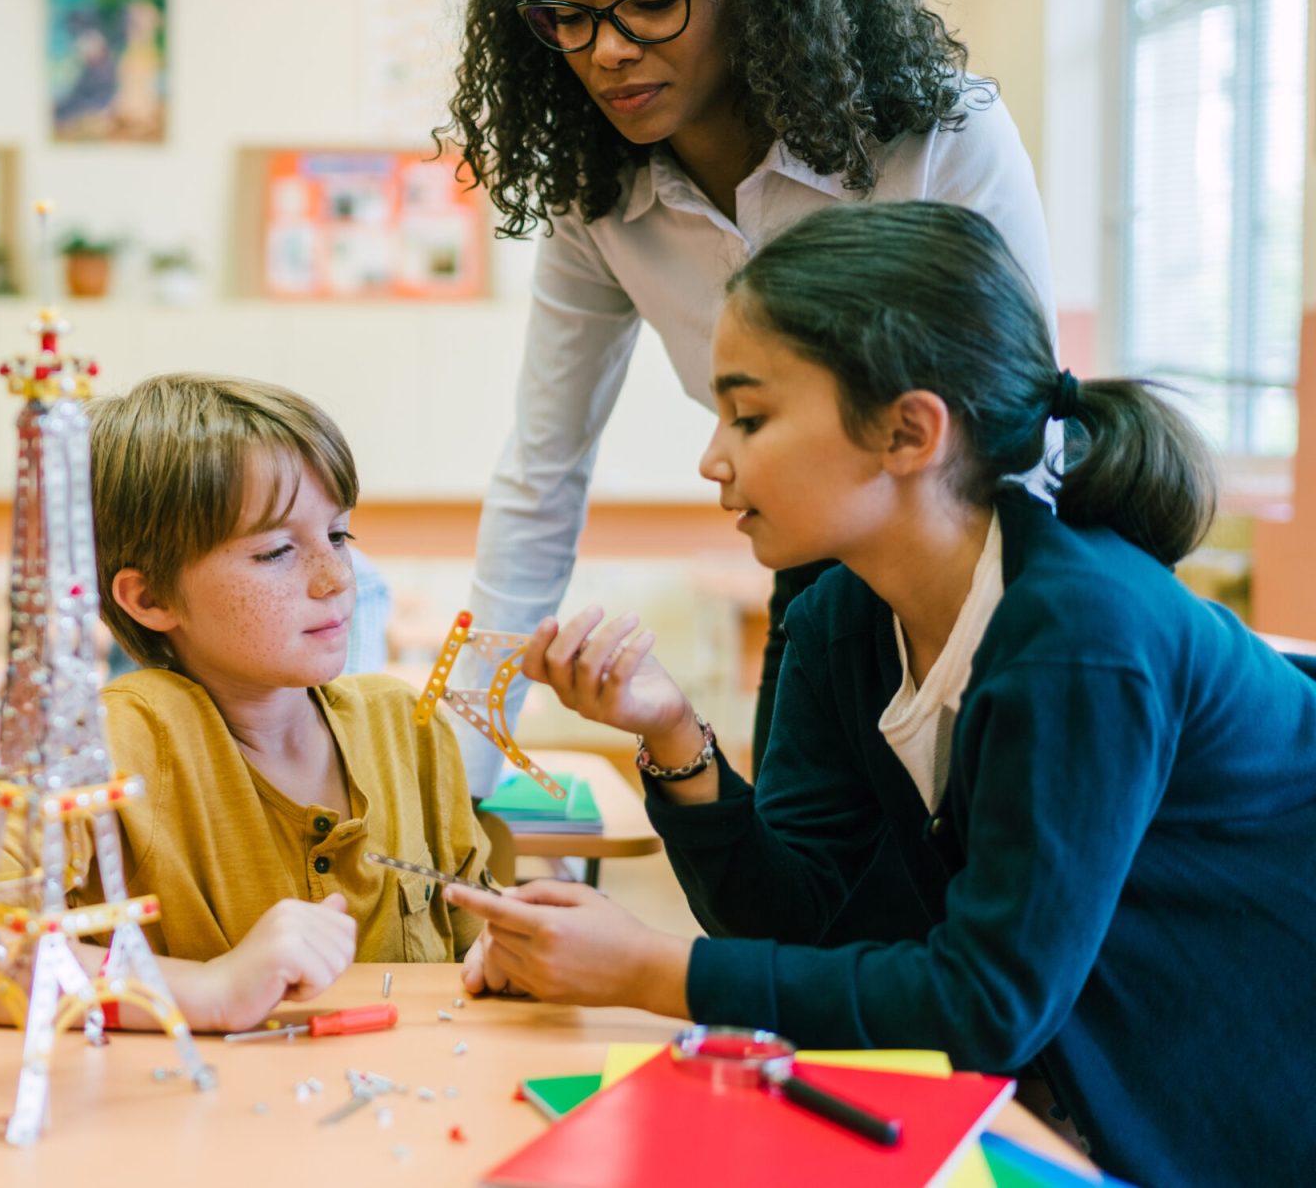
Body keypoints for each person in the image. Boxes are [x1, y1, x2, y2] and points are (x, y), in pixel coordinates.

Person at [446, 203, 1316, 1187]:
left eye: (749, 414)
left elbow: (984, 1001)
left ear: (908, 430)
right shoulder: (837, 616)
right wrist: (669, 733)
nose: (712, 458)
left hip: (1238, 1109)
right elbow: (798, 917)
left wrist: (645, 968)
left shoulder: (1080, 633)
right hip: (1083, 1095)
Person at [445, 0, 1055, 790]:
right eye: (568, 13)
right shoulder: (592, 194)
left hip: (992, 566)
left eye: (650, 2)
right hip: (814, 568)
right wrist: (457, 766)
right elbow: (541, 473)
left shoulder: (936, 136)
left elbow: (1027, 434)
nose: (606, 51)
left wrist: (1021, 652)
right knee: (794, 896)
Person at [0, 374, 496, 1033]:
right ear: (150, 599)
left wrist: (519, 955)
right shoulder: (118, 739)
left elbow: (482, 948)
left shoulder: (406, 728)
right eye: (277, 551)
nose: (336, 580)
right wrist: (207, 989)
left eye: (339, 537)